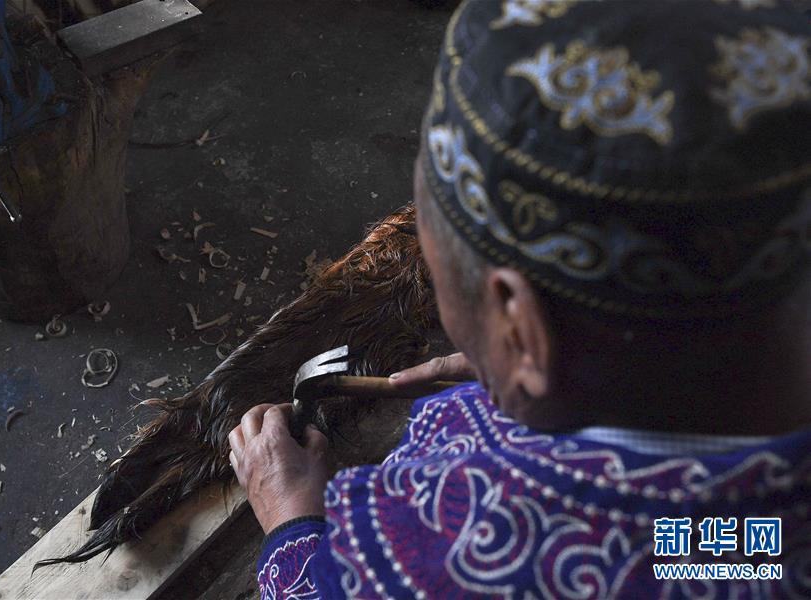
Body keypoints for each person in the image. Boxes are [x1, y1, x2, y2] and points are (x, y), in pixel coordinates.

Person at [227, 1, 811, 597]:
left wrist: (290, 516)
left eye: (441, 270)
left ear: (520, 325)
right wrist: (559, 372)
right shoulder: (743, 539)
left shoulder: (448, 548)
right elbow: (713, 553)